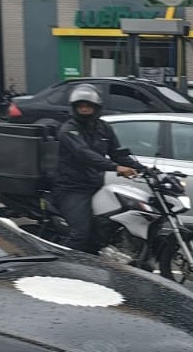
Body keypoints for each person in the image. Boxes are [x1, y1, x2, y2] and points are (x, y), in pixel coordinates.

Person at [52, 85, 137, 253]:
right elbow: (85, 154)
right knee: (80, 234)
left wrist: (145, 169)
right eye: (80, 105)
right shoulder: (69, 129)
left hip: (96, 186)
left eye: (88, 105)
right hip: (72, 189)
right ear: (74, 107)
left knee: (106, 227)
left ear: (96, 107)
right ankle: (63, 269)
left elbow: (118, 154)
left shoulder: (104, 128)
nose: (84, 108)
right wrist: (116, 168)